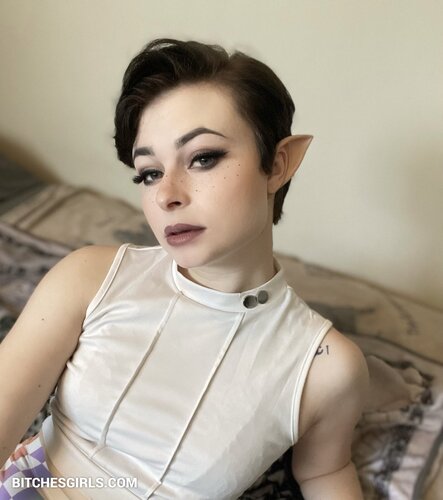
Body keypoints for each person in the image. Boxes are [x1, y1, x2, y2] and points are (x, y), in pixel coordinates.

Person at [0, 38, 369, 499]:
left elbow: (325, 472)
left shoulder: (326, 367)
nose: (165, 195)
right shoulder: (89, 277)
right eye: (149, 172)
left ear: (277, 164)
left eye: (202, 158)